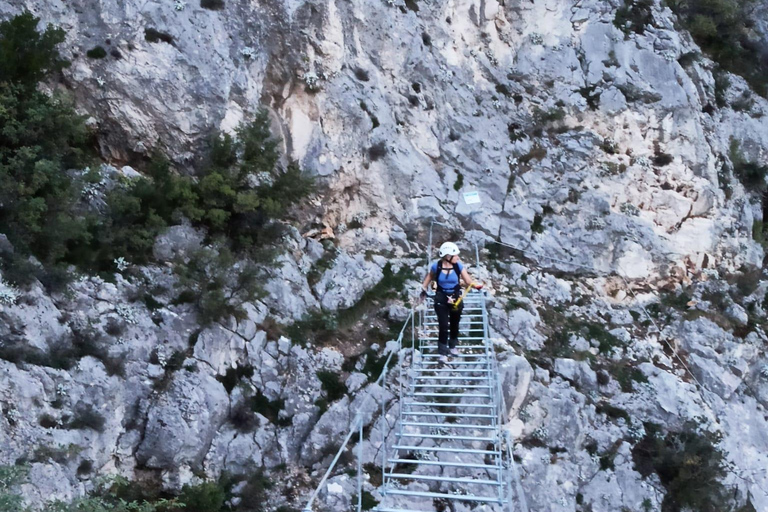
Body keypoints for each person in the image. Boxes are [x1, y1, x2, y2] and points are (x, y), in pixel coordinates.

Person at [420, 242, 483, 361]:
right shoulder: (436, 266)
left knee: (454, 324)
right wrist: (423, 288)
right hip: (441, 298)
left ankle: (453, 346)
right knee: (443, 325)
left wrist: (476, 286)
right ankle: (442, 352)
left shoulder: (458, 266)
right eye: (455, 255)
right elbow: (429, 276)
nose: (458, 257)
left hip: (456, 298)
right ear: (448, 257)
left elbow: (468, 281)